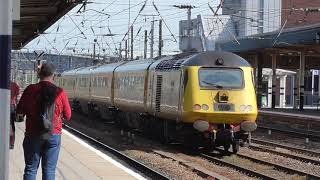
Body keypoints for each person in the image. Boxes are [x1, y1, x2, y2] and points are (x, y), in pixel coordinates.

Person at [16, 63, 72, 180]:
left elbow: (20, 112)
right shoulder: (60, 92)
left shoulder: (30, 89)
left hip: (33, 134)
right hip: (53, 134)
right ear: (53, 76)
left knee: (31, 169)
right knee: (49, 170)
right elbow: (68, 115)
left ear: (39, 74)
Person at [10, 81, 20, 149]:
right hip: (12, 106)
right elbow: (18, 97)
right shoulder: (14, 85)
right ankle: (11, 143)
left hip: (6, 105)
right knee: (11, 125)